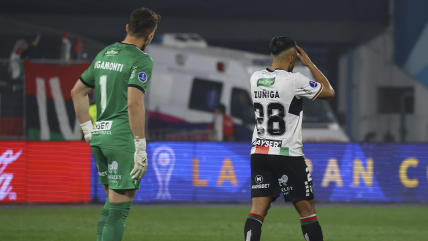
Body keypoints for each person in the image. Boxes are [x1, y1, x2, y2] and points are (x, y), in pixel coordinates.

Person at [71, 7, 160, 241]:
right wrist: (140, 146)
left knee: (111, 208)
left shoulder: (104, 53)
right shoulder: (141, 59)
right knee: (119, 212)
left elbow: (77, 92)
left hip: (100, 137)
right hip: (120, 140)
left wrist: (87, 129)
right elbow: (133, 103)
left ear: (128, 28)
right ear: (150, 36)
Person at [244, 36, 334, 241]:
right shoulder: (295, 80)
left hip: (259, 152)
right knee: (307, 210)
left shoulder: (255, 77)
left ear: (271, 55)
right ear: (293, 57)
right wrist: (309, 63)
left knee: (257, 211)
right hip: (286, 154)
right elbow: (329, 92)